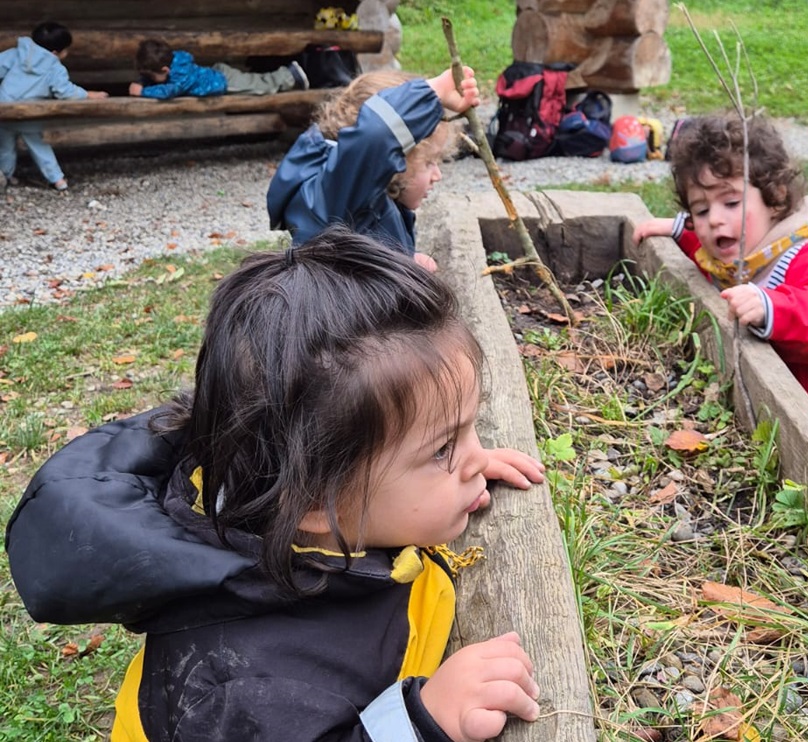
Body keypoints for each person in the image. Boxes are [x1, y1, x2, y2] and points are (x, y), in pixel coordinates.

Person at [6, 225, 547, 741]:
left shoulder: (295, 487)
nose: (477, 459)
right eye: (443, 448)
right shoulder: (249, 689)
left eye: (469, 429)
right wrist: (421, 721)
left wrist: (455, 462)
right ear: (316, 500)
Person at [633, 114, 808, 433]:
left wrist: (773, 308)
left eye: (731, 202)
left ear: (775, 199)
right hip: (753, 405)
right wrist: (679, 230)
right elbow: (711, 253)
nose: (713, 220)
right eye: (701, 209)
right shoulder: (744, 252)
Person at [266, 66, 481, 271]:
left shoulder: (365, 201)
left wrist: (406, 263)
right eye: (429, 162)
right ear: (391, 158)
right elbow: (375, 136)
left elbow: (365, 264)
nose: (437, 175)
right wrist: (431, 93)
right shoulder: (341, 198)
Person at [0, 21, 109, 191]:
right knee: (39, 147)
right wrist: (88, 94)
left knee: (5, 147)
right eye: (66, 49)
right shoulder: (55, 67)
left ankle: (5, 176)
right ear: (56, 52)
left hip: (4, 109)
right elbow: (64, 92)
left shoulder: (15, 54)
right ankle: (58, 180)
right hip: (29, 113)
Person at [128, 38, 309, 99]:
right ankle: (286, 76)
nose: (150, 79)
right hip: (216, 74)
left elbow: (170, 91)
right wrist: (144, 82)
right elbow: (159, 80)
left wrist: (143, 91)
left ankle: (289, 75)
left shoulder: (180, 75)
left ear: (165, 69)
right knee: (252, 81)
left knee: (260, 86)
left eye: (150, 75)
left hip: (223, 82)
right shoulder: (175, 61)